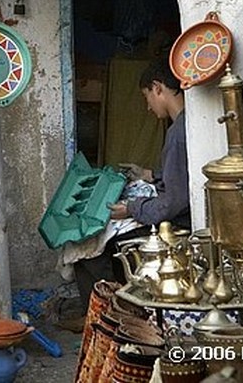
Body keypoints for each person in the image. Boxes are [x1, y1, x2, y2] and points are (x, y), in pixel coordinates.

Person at [72, 58, 190, 303]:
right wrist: (149, 174)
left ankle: (111, 308)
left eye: (147, 96)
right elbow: (182, 175)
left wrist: (131, 209)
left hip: (178, 222)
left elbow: (174, 202)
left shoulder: (178, 134)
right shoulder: (186, 125)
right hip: (177, 211)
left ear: (158, 88)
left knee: (89, 242)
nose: (148, 107)